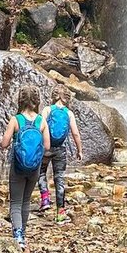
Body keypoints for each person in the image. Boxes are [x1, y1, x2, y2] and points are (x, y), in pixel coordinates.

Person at [0, 84, 49, 250]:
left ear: (20, 100)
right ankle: (23, 234)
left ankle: (18, 236)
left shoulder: (15, 120)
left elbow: (4, 144)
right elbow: (47, 146)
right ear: (36, 101)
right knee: (26, 201)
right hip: (34, 167)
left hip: (17, 166)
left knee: (15, 202)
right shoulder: (41, 121)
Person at [38, 84, 84, 223]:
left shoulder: (47, 110)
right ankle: (60, 213)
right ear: (67, 98)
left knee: (41, 173)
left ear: (54, 96)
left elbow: (39, 128)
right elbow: (75, 133)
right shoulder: (69, 113)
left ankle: (45, 198)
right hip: (60, 149)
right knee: (60, 179)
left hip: (45, 148)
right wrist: (79, 150)